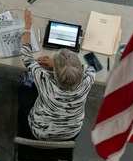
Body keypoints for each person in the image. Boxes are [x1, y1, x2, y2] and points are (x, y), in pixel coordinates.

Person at [18, 9, 96, 141]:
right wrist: (65, 66)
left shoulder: (44, 80)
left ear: (55, 74)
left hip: (38, 132)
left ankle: (26, 84)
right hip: (71, 134)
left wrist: (27, 26)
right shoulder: (88, 81)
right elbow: (94, 63)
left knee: (24, 91)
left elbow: (26, 57)